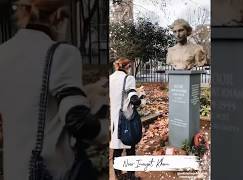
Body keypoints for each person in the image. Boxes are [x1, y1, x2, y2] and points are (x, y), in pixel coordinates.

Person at [0, 0, 108, 179]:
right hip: (52, 171)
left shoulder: (3, 52)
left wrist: (87, 91)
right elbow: (76, 120)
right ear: (58, 16)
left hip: (14, 169)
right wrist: (106, 131)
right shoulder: (62, 53)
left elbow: (27, 100)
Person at [109, 58, 141, 180]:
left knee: (116, 146)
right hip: (126, 118)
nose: (130, 68)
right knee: (130, 146)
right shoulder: (129, 78)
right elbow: (133, 96)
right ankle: (131, 176)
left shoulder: (111, 78)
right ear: (127, 66)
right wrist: (139, 99)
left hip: (114, 117)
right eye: (130, 66)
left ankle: (118, 175)